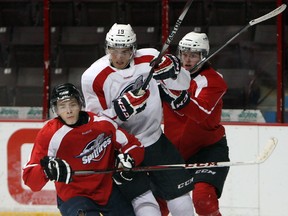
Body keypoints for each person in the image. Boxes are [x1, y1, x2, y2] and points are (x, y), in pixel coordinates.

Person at [81, 23, 195, 216]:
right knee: (147, 207)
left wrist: (175, 71)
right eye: (114, 50)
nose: (119, 57)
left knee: (181, 201)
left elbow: (185, 84)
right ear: (107, 47)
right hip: (123, 150)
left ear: (133, 49)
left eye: (125, 51)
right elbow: (96, 125)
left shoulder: (150, 57)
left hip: (155, 140)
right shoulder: (92, 77)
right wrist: (120, 110)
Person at [22, 83, 145, 216]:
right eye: (62, 106)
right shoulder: (49, 134)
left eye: (72, 104)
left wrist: (129, 159)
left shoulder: (102, 124)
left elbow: (135, 146)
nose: (68, 111)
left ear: (80, 104)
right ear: (56, 110)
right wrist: (46, 171)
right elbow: (31, 180)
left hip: (106, 191)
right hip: (73, 196)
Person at [154, 32, 230, 216]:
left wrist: (173, 94)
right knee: (157, 203)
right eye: (184, 54)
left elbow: (199, 113)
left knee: (203, 199)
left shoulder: (214, 81)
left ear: (204, 56)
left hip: (207, 150)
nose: (187, 60)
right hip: (174, 150)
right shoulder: (169, 75)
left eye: (194, 55)